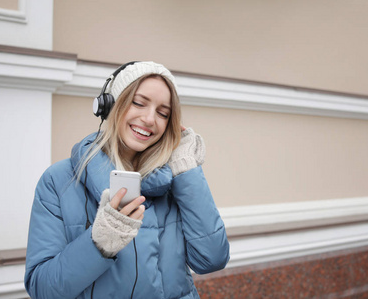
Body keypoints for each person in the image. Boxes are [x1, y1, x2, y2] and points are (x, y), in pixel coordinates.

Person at [24, 61, 230, 299]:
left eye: (163, 113)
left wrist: (187, 170)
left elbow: (211, 260)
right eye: (139, 103)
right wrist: (99, 244)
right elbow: (43, 289)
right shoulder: (59, 181)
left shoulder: (177, 179)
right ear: (109, 105)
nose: (150, 119)